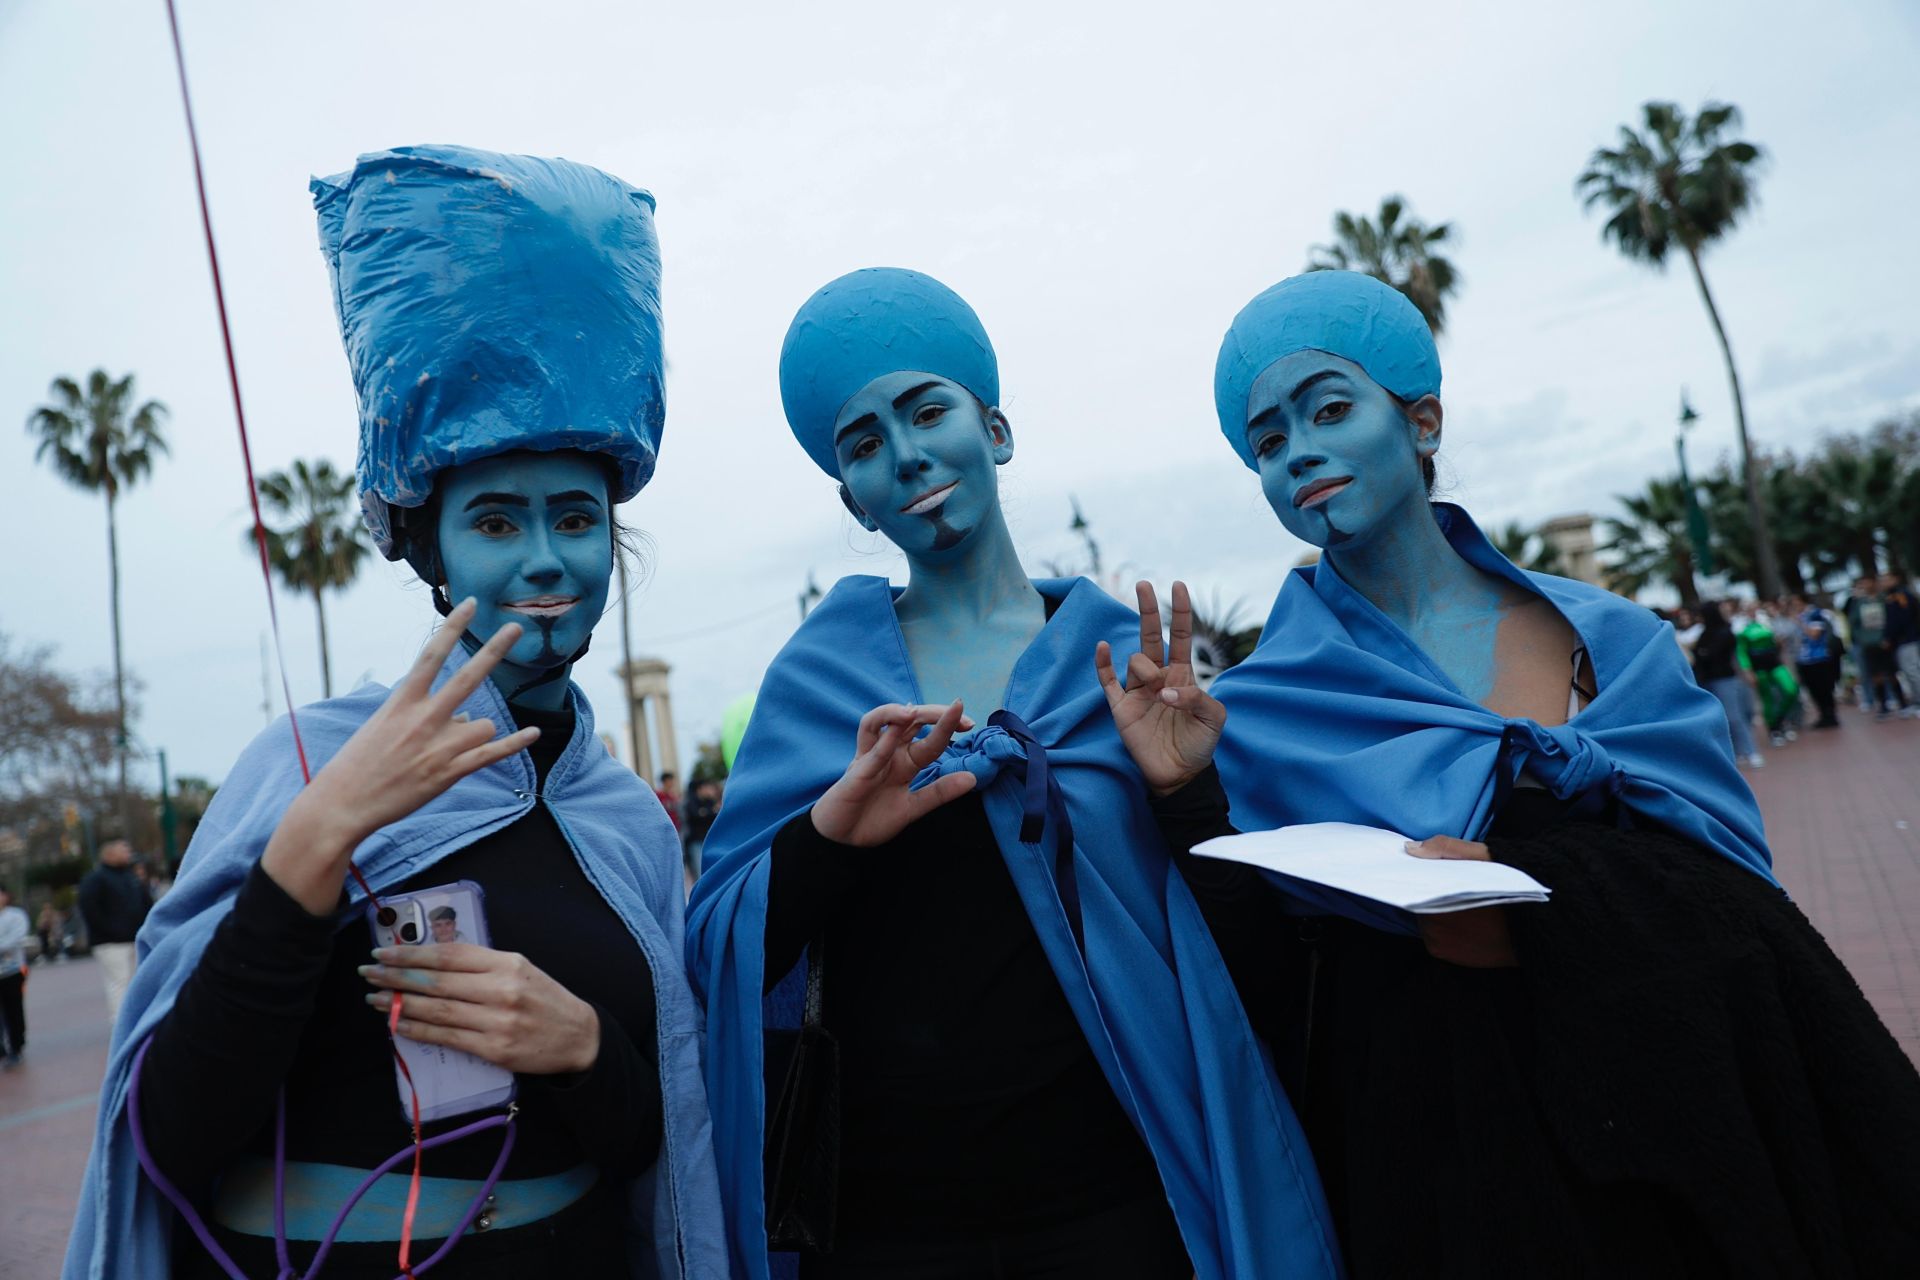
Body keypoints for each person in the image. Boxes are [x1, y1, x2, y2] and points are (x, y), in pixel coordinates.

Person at [1111, 269, 1920, 1277]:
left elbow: (1739, 905)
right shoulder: (1259, 710)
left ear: (1423, 419)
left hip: (1673, 1106)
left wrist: (1535, 914)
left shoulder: (1615, 639)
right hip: (1442, 1154)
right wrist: (1186, 793)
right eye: (1268, 442)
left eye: (1328, 407)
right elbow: (1268, 986)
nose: (1299, 452)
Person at [64, 146, 726, 1280]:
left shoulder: (629, 819)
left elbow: (651, 1148)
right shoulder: (312, 758)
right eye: (497, 521)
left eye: (574, 516)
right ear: (430, 545)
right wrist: (317, 839)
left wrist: (579, 1046)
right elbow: (171, 1133)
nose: (546, 558)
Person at [687, 268, 1339, 1280]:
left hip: (1119, 1209)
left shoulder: (1121, 662)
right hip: (889, 1234)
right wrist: (824, 839)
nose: (904, 454)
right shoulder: (818, 683)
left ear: (994, 431)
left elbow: (1245, 952)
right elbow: (724, 946)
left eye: (925, 410)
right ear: (853, 499)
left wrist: (1183, 795)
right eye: (863, 443)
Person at [76, 838, 150, 1024]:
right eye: (123, 850)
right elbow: (89, 909)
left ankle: (135, 1021)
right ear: (109, 854)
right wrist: (111, 930)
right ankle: (121, 1023)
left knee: (134, 981)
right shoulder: (96, 879)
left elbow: (145, 903)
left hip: (133, 937)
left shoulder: (130, 877)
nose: (128, 854)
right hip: (110, 942)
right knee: (119, 982)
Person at [1692, 602, 1764, 766]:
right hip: (1710, 679)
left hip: (1725, 679)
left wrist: (1703, 653)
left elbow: (1709, 653)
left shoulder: (1724, 633)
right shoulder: (1707, 633)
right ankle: (1737, 752)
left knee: (1734, 717)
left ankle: (1750, 751)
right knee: (1723, 719)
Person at [1846, 574, 1907, 719]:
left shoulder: (1884, 599)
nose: (1865, 586)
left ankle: (1901, 701)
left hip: (1885, 642)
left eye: (1867, 583)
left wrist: (1888, 637)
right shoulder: (1859, 603)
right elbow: (1852, 622)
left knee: (1891, 673)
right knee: (1875, 675)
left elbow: (1893, 617)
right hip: (1869, 644)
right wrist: (1861, 638)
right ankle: (1883, 704)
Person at [1792, 593, 1843, 728]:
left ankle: (1830, 715)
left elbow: (1815, 634)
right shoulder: (1800, 616)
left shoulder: (1814, 614)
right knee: (1813, 689)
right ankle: (1823, 715)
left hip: (1818, 657)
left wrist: (1800, 623)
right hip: (1804, 659)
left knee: (1824, 688)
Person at [1882, 571, 1920, 715]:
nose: (1883, 582)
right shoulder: (1891, 596)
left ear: (1895, 579)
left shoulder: (1900, 595)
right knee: (1909, 671)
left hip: (1907, 639)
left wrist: (1889, 635)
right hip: (1901, 641)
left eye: (1887, 579)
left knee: (1912, 671)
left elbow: (1902, 618)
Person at [0, 884, 28, 1067]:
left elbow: (15, 940)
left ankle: (16, 1046)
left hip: (12, 971)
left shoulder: (16, 916)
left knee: (14, 1010)